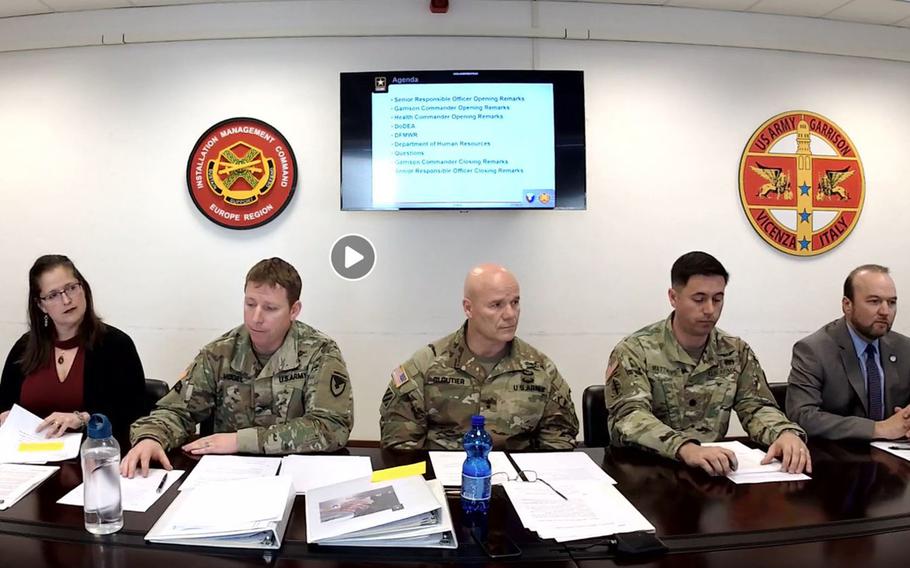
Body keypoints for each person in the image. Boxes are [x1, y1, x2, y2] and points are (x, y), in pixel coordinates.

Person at [121, 258, 353, 477]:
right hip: (227, 476)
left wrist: (239, 441)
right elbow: (177, 411)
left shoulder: (319, 352)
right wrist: (151, 438)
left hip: (297, 476)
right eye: (250, 304)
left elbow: (332, 426)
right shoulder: (219, 353)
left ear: (294, 310)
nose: (256, 317)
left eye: (270, 308)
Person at [606, 251, 810, 476]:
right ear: (673, 297)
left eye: (718, 298)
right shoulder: (635, 350)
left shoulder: (735, 351)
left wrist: (784, 434)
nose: (710, 310)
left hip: (712, 473)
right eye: (699, 299)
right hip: (648, 474)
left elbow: (755, 406)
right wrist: (684, 448)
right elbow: (628, 417)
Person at [379, 263, 578, 450]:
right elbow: (400, 444)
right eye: (496, 305)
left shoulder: (540, 369)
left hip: (516, 480)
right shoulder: (427, 365)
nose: (510, 314)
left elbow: (559, 441)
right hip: (443, 479)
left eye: (515, 302)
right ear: (468, 308)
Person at [0, 255, 145, 445]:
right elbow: (4, 404)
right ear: (40, 305)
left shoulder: (116, 345)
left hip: (92, 457)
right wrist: (5, 417)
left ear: (83, 288)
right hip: (28, 459)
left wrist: (83, 418)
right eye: (53, 295)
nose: (67, 300)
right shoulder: (24, 347)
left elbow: (135, 416)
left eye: (71, 288)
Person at [787, 264, 910, 440]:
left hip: (896, 456)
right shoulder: (814, 350)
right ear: (847, 305)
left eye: (891, 302)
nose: (885, 311)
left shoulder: (904, 348)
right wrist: (877, 429)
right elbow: (802, 416)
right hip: (837, 458)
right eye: (874, 301)